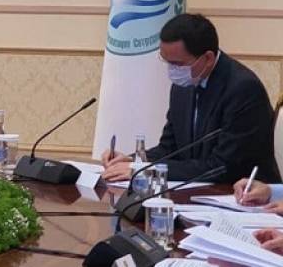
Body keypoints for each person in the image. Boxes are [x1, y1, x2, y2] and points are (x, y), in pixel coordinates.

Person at [100, 13, 278, 183]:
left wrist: (146, 170)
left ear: (208, 58)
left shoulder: (242, 89)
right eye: (167, 62)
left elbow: (221, 167)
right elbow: (169, 149)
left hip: (240, 194)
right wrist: (133, 161)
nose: (172, 71)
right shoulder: (183, 85)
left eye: (177, 64)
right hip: (195, 192)